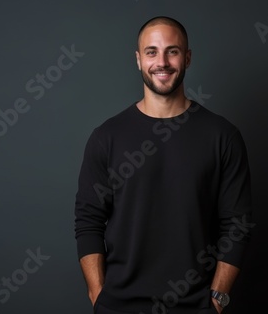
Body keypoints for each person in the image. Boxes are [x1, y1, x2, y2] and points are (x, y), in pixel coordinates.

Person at [74, 16, 252, 314]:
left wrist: (218, 299)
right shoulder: (106, 137)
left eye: (173, 51)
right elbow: (88, 220)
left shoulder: (222, 136)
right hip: (119, 306)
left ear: (188, 57)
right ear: (138, 59)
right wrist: (98, 294)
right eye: (152, 51)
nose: (162, 62)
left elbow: (237, 225)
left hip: (195, 306)